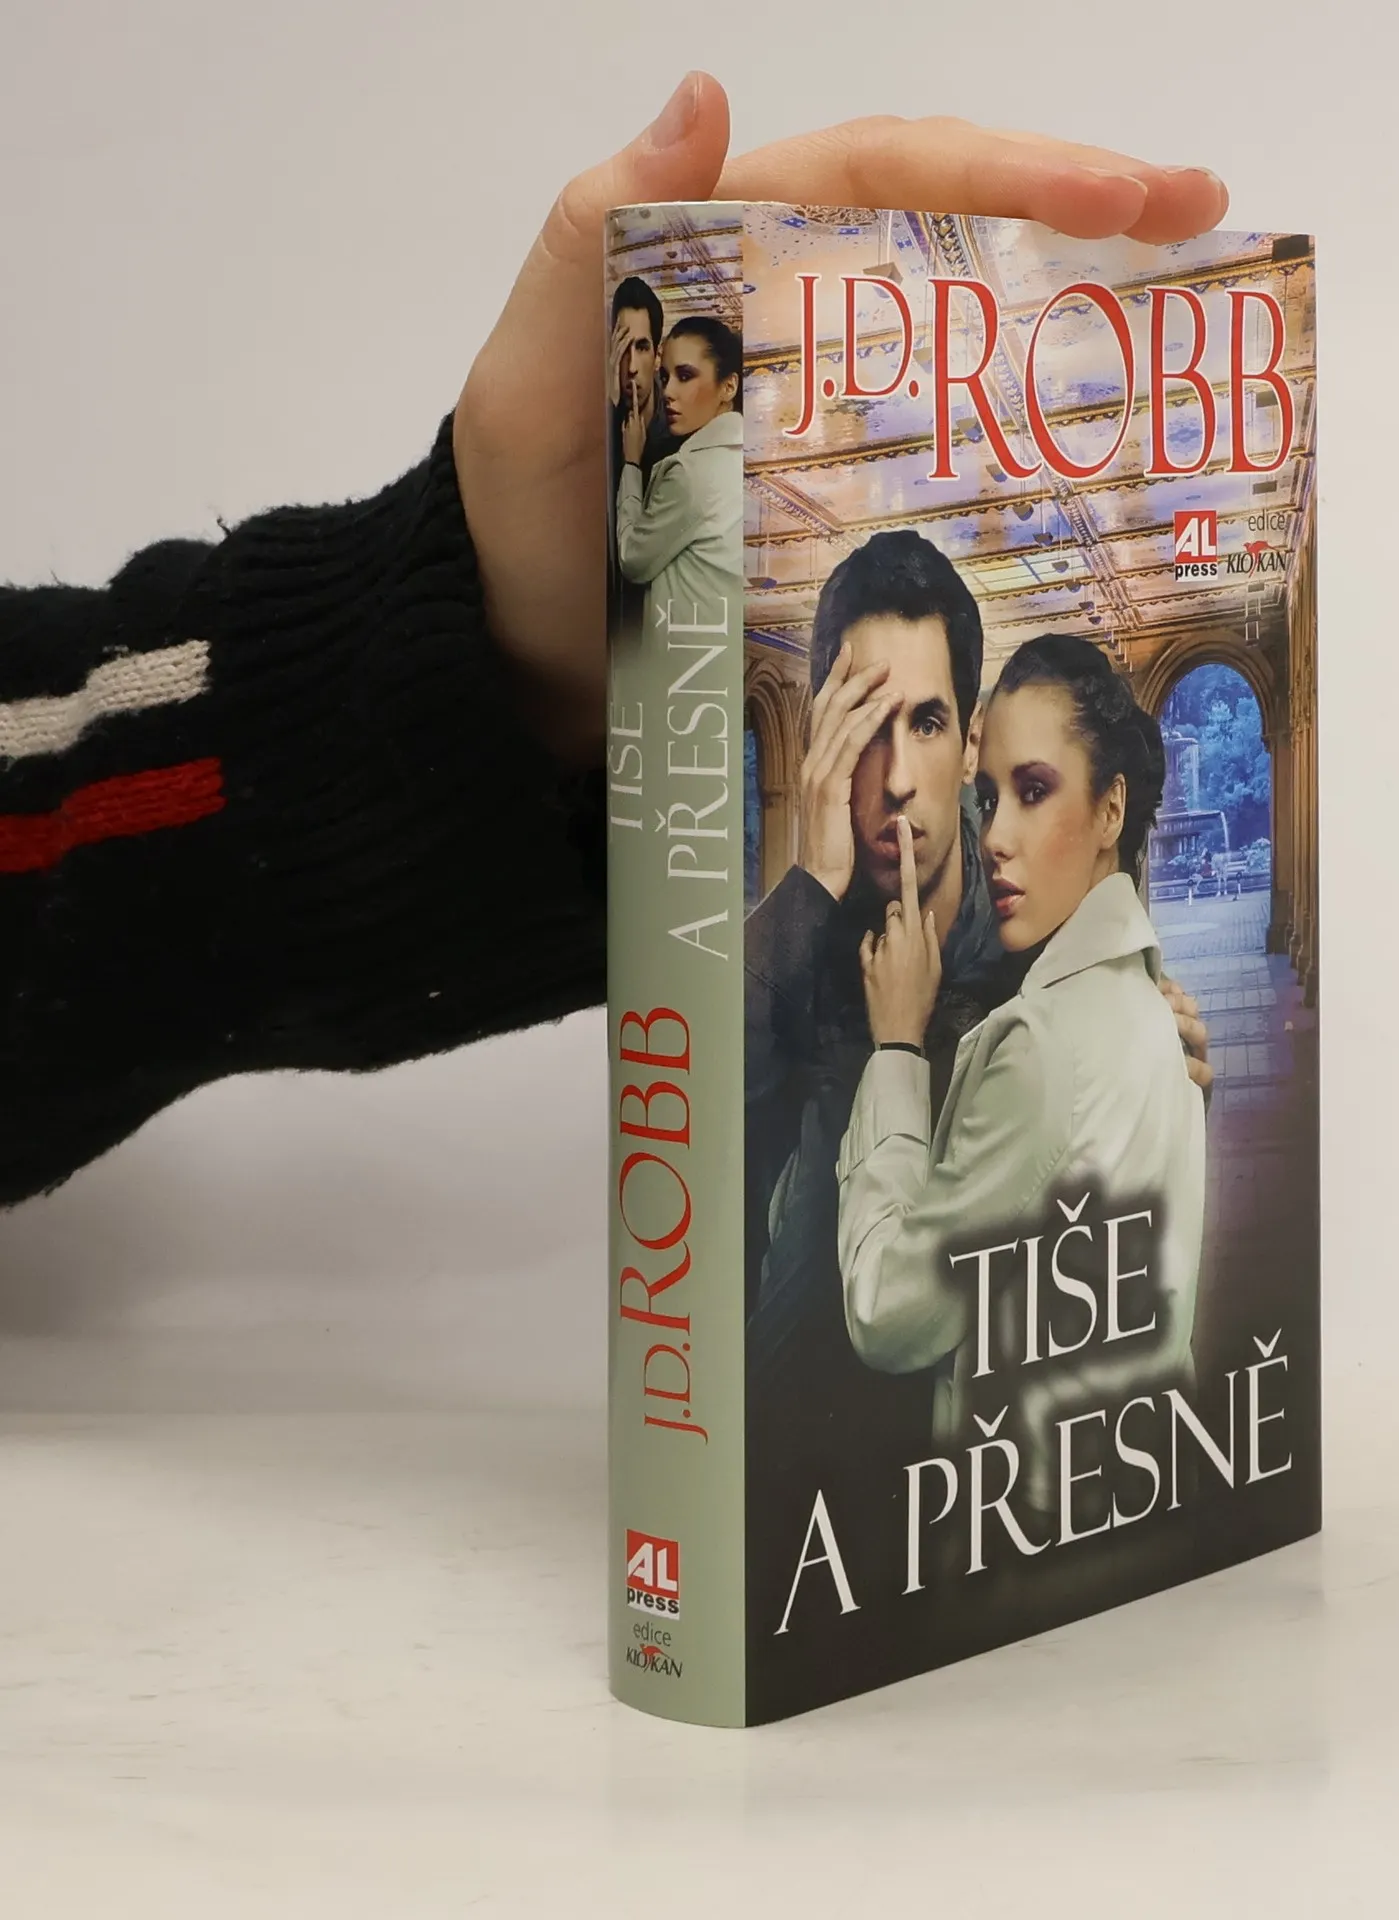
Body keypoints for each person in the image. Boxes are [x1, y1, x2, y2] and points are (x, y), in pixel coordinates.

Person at [1, 68, 1230, 1208]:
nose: (895, 776)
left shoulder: (1022, 927)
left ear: (969, 740)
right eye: (861, 722)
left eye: (925, 722)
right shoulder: (805, 932)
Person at [837, 634, 1207, 1512]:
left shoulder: (1047, 1043)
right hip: (1144, 1486)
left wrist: (895, 1051)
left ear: (1111, 810)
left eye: (1033, 792)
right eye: (989, 797)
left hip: (1029, 1522)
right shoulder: (1146, 1008)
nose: (995, 836)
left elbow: (886, 1313)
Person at [614, 315, 744, 627]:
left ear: (728, 386)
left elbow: (632, 558)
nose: (668, 391)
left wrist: (631, 464)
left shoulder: (690, 472)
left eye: (685, 376)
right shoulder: (742, 455)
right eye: (664, 376)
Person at [605, 275, 673, 635]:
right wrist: (608, 408)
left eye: (642, 347)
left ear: (657, 354)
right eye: (622, 348)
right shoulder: (601, 421)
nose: (631, 366)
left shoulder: (678, 428)